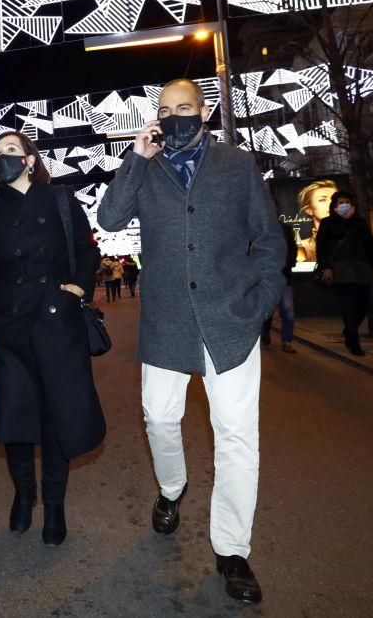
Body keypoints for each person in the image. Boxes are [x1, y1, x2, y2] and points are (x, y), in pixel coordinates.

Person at [97, 78, 285, 604]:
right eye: (165, 109)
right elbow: (108, 217)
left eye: (184, 107)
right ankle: (172, 488)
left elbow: (269, 238)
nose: (174, 115)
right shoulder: (147, 165)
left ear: (203, 112)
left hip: (230, 321)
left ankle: (232, 551)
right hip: (167, 321)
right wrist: (135, 157)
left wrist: (261, 301)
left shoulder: (236, 164)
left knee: (236, 437)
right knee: (159, 417)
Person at [0, 131, 105, 546]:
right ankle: (24, 495)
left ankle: (55, 504)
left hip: (55, 323)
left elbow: (88, 252)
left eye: (11, 150)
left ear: (29, 159)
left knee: (56, 415)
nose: (2, 157)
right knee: (16, 416)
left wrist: (77, 289)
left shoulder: (59, 198)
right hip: (8, 330)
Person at [316, 191, 373, 357]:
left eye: (347, 202)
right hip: (340, 270)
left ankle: (349, 332)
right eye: (341, 202)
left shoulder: (359, 222)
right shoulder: (328, 223)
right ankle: (354, 342)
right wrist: (326, 267)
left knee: (364, 305)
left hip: (361, 269)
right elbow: (321, 248)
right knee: (348, 308)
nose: (344, 205)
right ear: (335, 205)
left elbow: (371, 247)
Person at [261, 221, 299, 353]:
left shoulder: (285, 228)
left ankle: (287, 341)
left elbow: (293, 248)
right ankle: (265, 333)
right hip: (266, 277)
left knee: (288, 310)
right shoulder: (260, 226)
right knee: (268, 309)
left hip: (284, 275)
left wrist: (290, 263)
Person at [295, 180, 337, 262]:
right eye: (322, 200)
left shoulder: (354, 238)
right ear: (309, 209)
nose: (331, 203)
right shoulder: (303, 247)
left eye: (335, 198)